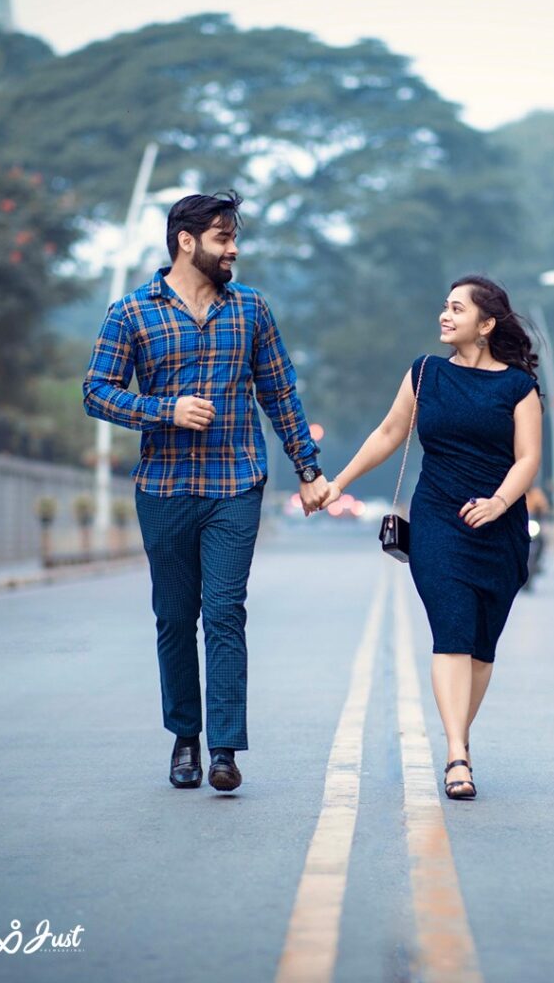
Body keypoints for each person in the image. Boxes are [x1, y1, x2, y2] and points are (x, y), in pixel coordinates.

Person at [83, 191, 330, 793]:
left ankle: (224, 749)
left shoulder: (250, 309)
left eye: (234, 238)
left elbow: (279, 392)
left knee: (224, 612)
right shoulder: (131, 312)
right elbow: (96, 392)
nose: (234, 249)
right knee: (174, 618)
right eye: (223, 238)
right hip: (163, 488)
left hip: (236, 482)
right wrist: (164, 410)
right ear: (186, 242)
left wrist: (309, 469)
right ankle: (184, 740)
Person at [324, 275, 542, 799]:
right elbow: (388, 433)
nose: (444, 316)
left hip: (500, 525)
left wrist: (498, 503)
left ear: (486, 325)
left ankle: (457, 737)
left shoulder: (517, 386)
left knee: (482, 648)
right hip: (439, 520)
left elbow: (529, 457)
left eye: (457, 310)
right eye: (444, 307)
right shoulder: (424, 373)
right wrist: (337, 484)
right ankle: (457, 755)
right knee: (452, 631)